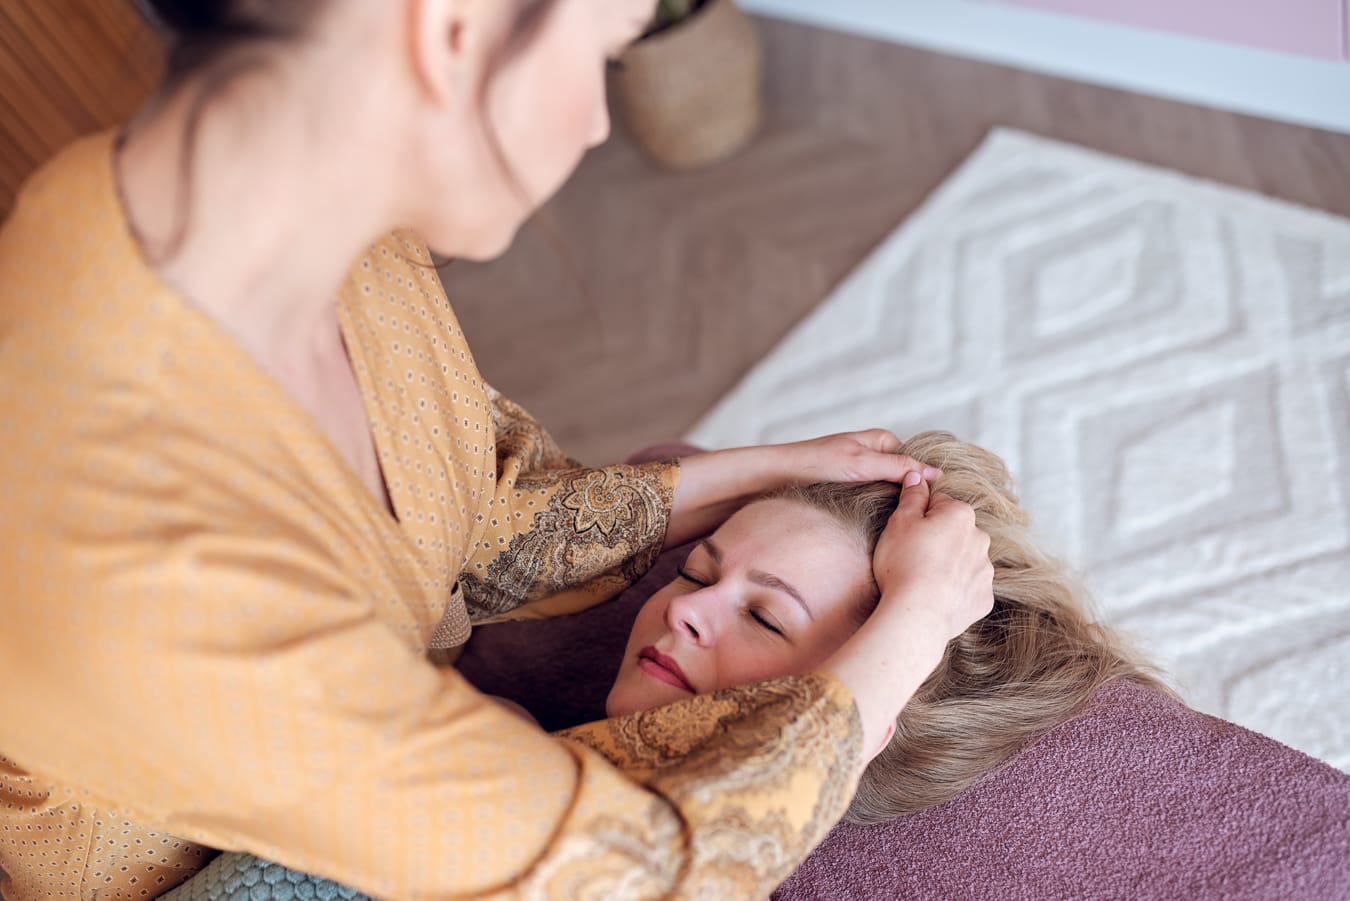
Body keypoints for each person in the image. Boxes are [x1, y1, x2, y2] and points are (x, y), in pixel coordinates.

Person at [0, 2, 994, 899]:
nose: (600, 126)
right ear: (452, 28)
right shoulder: (138, 534)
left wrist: (752, 475)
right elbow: (618, 877)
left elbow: (455, 514)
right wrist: (907, 630)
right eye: (605, 57)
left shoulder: (327, 244)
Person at [166, 430, 1161, 899]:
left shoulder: (648, 866)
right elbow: (471, 538)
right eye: (697, 569)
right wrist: (768, 469)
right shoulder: (490, 729)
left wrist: (916, 616)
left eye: (764, 619)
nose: (684, 609)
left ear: (850, 720)